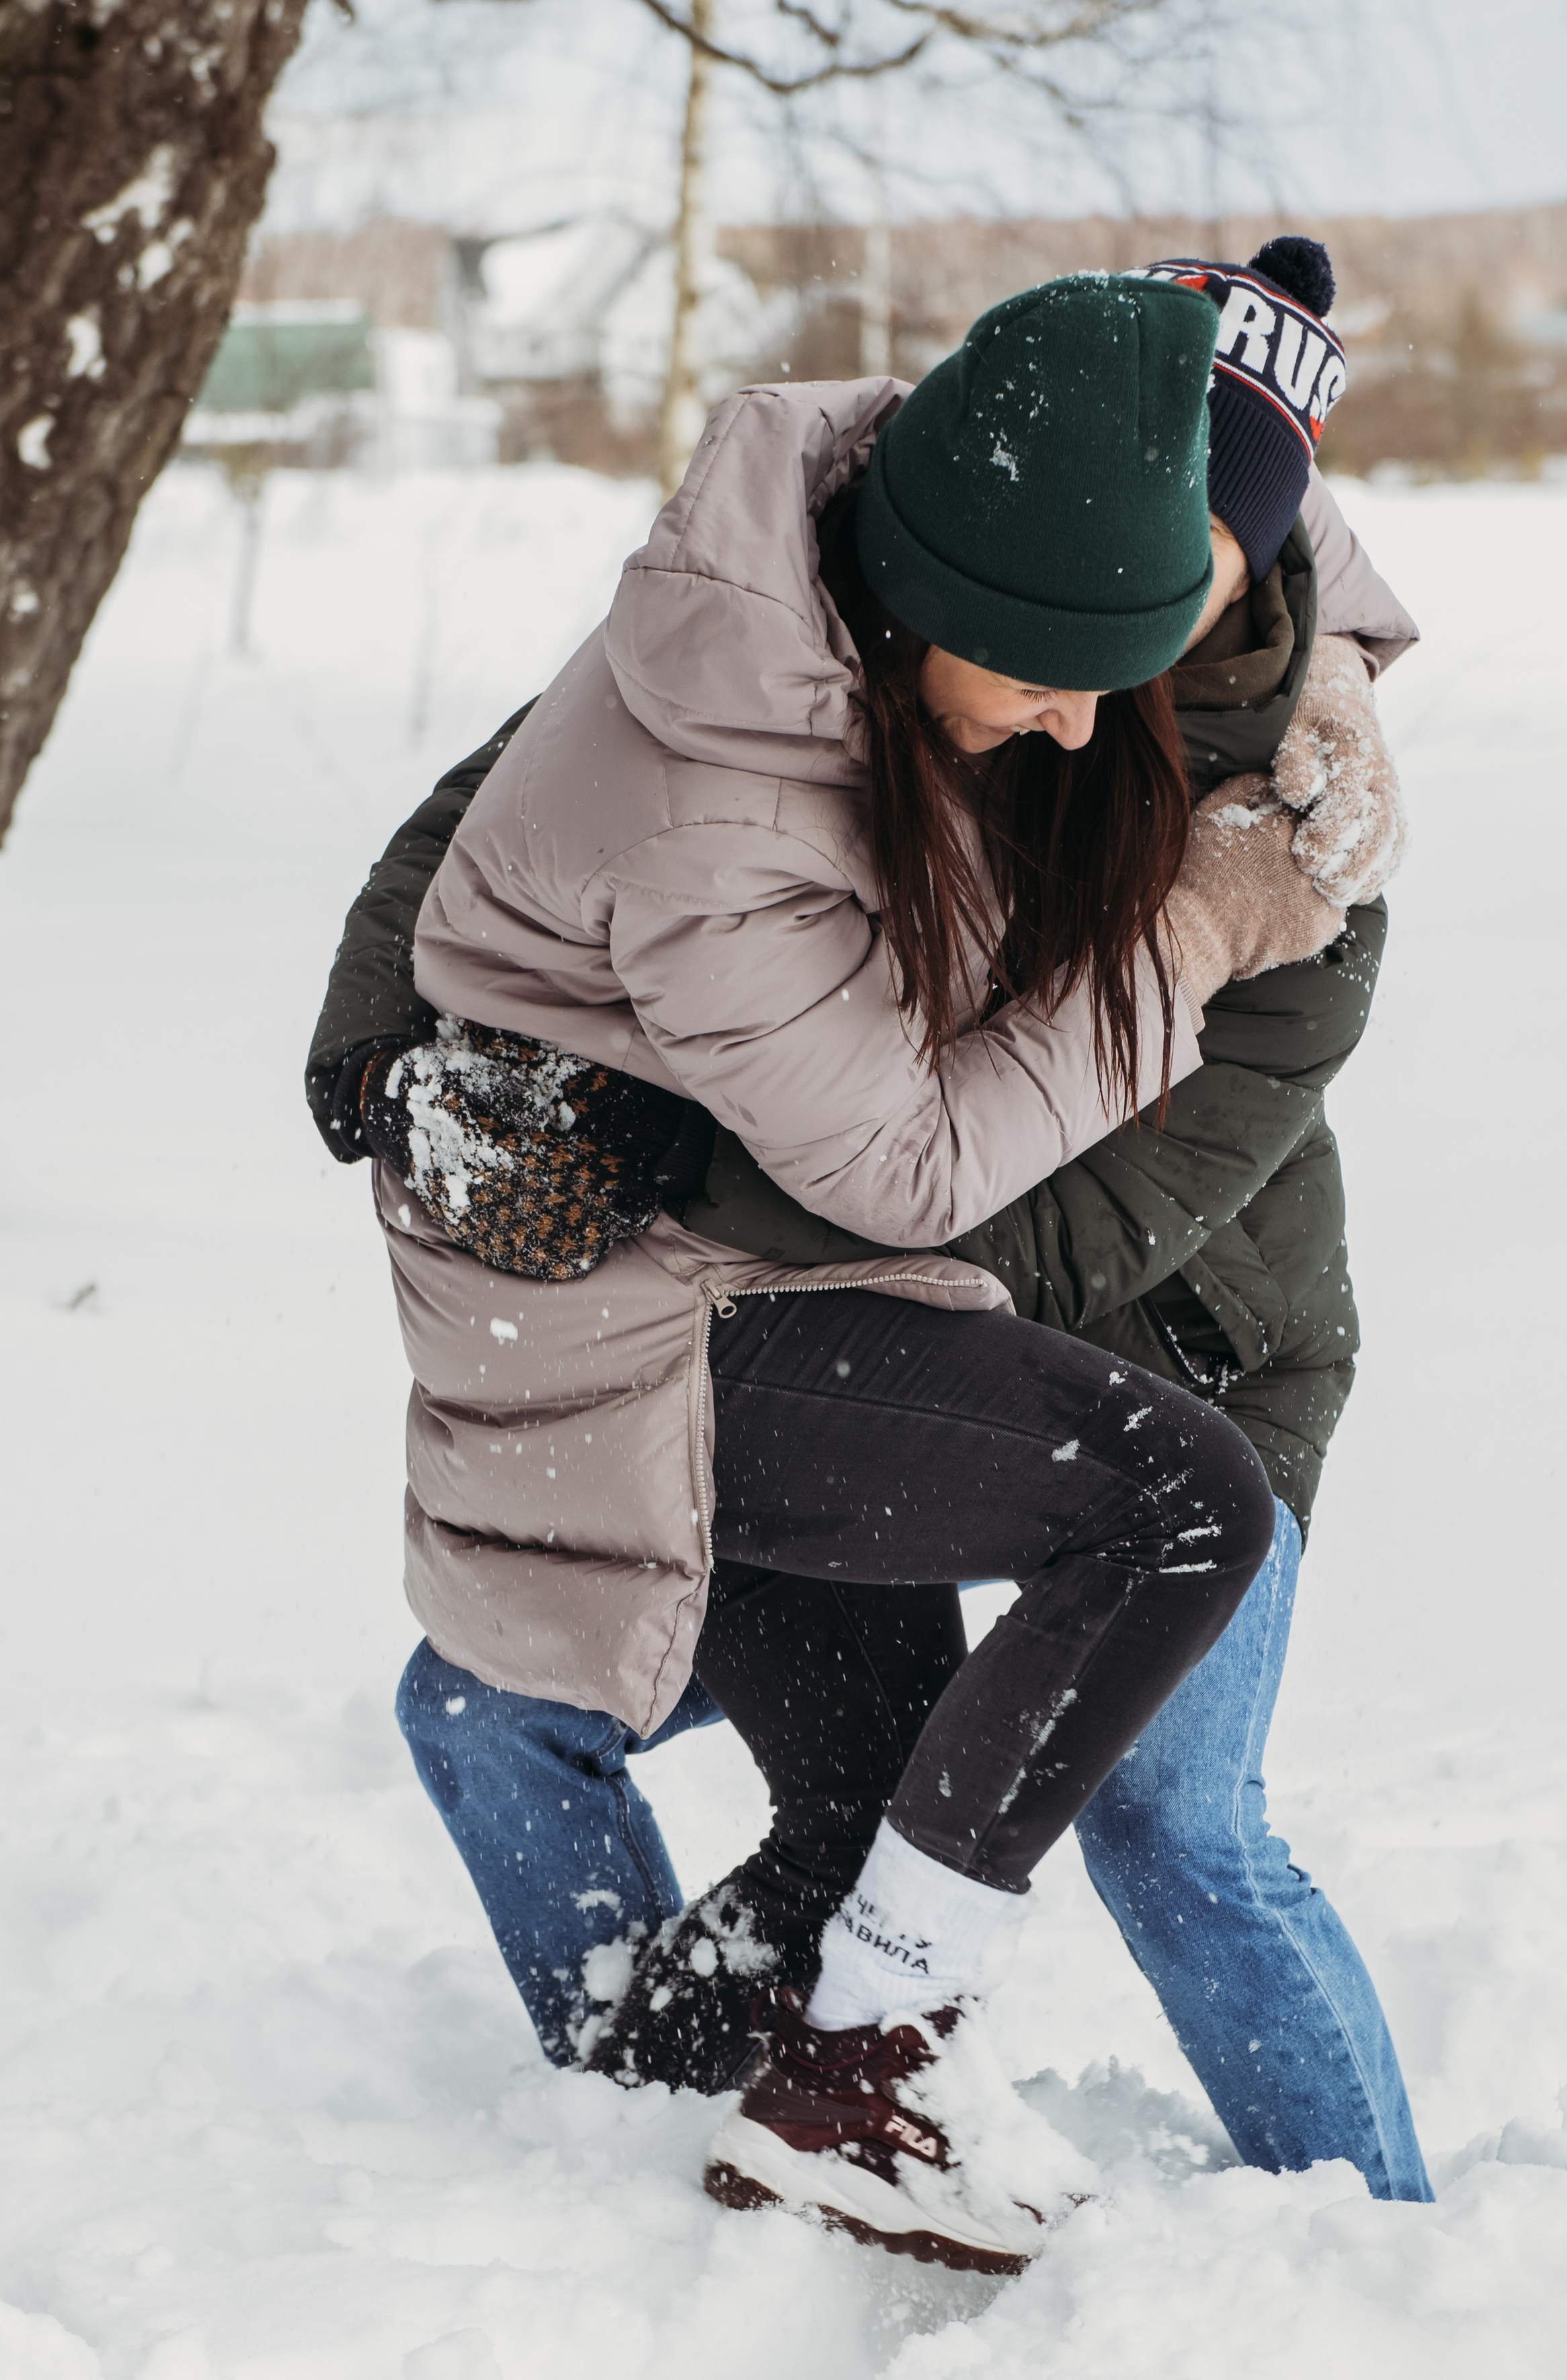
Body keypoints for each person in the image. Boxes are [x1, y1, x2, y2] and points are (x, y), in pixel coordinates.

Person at [310, 265, 1408, 2268]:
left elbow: (1032, 1210)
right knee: (519, 1707)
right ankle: (664, 2134)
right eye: (1071, 665)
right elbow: (548, 768)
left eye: (1167, 650)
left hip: (1156, 1321)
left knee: (1178, 1812)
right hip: (771, 1293)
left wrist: (737, 1182)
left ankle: (1388, 2248)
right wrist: (397, 1024)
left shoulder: (1293, 857)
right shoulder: (865, 628)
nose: (1087, 722)